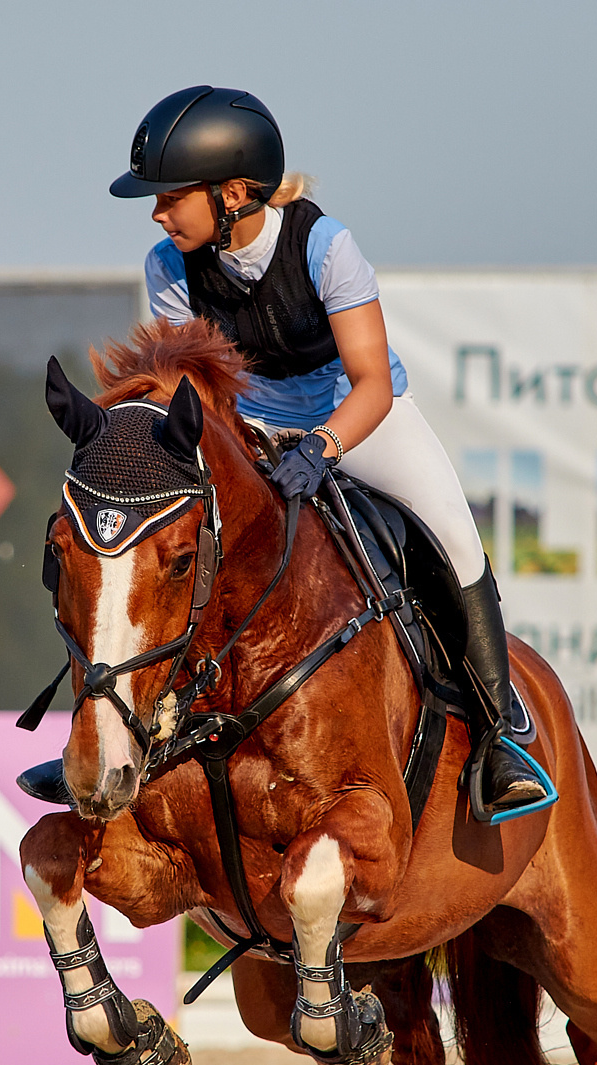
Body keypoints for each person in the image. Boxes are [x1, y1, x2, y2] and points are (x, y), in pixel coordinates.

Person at [111, 85, 543, 818]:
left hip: (359, 418)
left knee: (452, 535)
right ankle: (131, 737)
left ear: (234, 193)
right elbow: (193, 395)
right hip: (250, 426)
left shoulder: (324, 246)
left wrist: (322, 445)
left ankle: (501, 731)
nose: (156, 213)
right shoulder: (168, 267)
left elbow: (372, 381)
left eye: (169, 196)